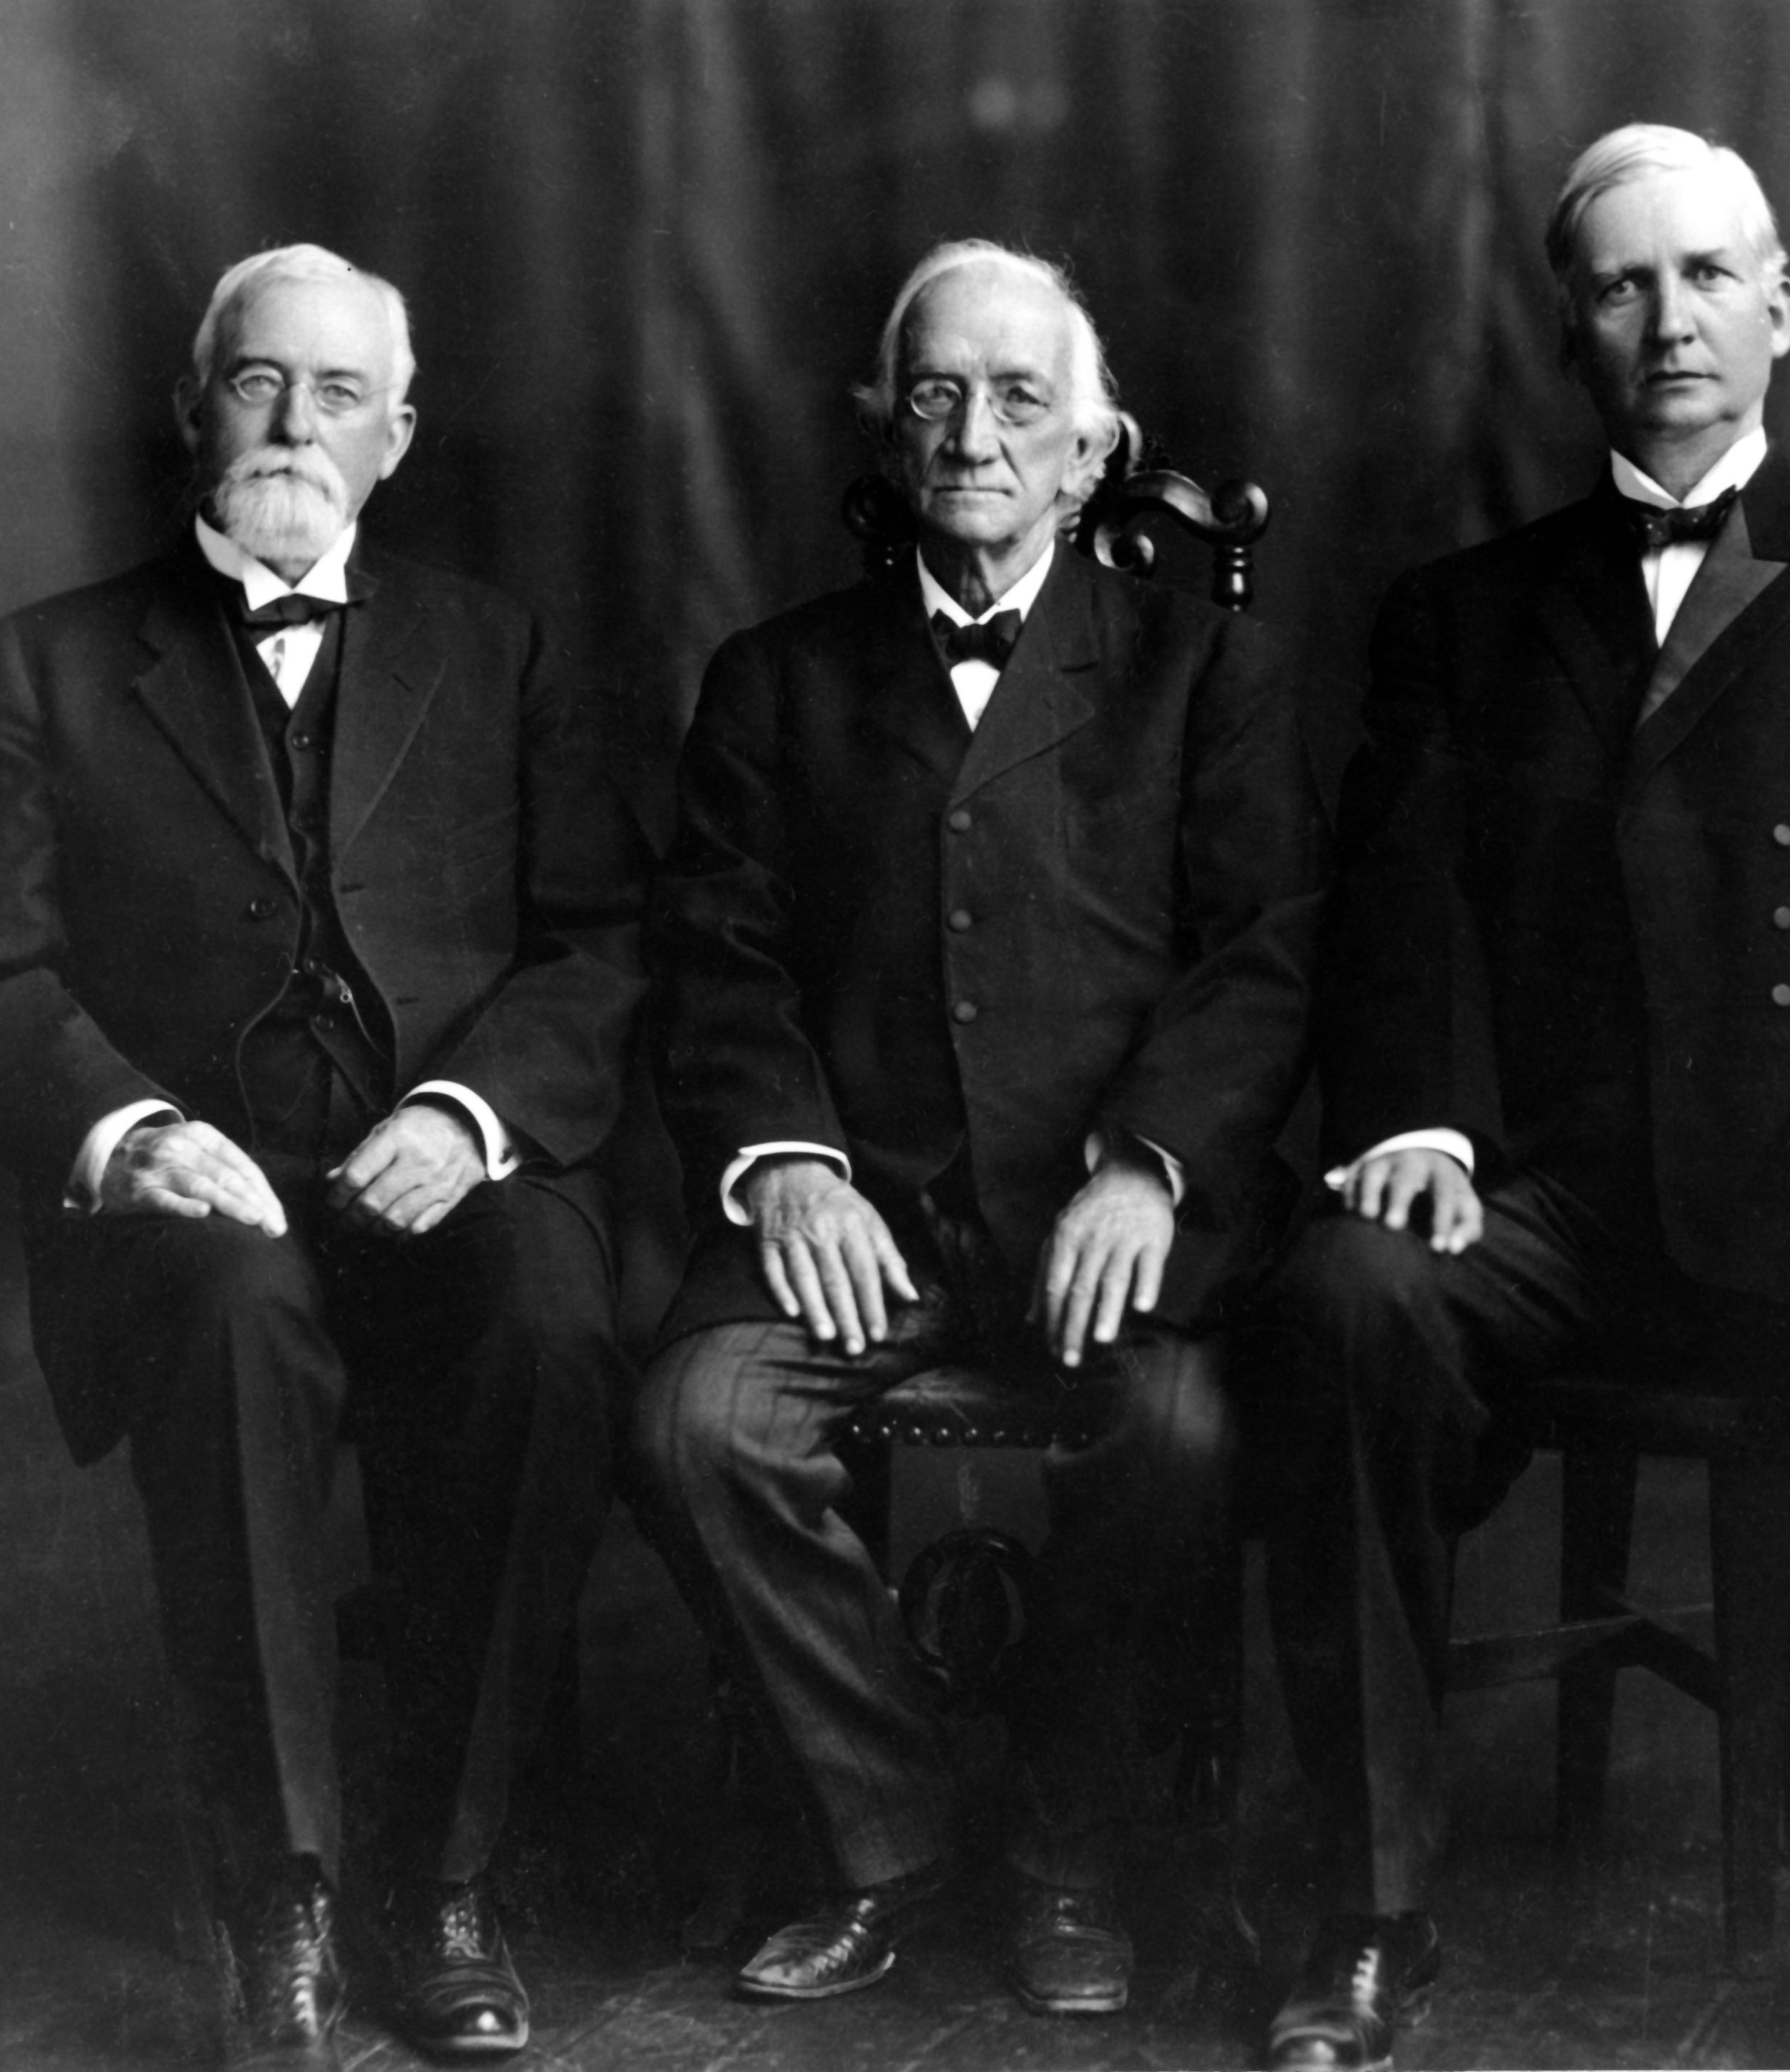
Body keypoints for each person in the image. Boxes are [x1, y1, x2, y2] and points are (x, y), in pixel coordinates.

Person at [1259, 126, 1790, 2072]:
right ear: (1574, 335)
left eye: (1708, 277)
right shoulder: (1463, 614)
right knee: (1341, 1301)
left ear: (1780, 311)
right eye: (1625, 286)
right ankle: (1371, 1913)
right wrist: (1422, 1123)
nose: (1671, 320)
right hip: (1557, 1207)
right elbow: (1393, 895)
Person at [0, 245, 645, 2070]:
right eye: (258, 382)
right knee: (236, 1323)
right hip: (198, 1205)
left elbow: (601, 945)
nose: (294, 424)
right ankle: (284, 1903)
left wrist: (469, 1122)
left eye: (336, 394)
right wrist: (130, 1129)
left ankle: (442, 1883)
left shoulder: (501, 646)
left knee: (553, 1316)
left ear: (397, 435)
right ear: (193, 410)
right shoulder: (49, 664)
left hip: (437, 1169)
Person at [629, 239, 1321, 2017]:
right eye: (935, 391)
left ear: (1096, 452)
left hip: (1100, 1224)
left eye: (1023, 399)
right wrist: (788, 1160)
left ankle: (1071, 1853)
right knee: (702, 1422)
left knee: (1175, 1431)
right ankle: (896, 1834)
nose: (975, 434)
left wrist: (1150, 1167)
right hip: (868, 1220)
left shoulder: (1200, 668)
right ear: (888, 429)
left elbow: (1264, 955)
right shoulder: (776, 680)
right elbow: (718, 958)